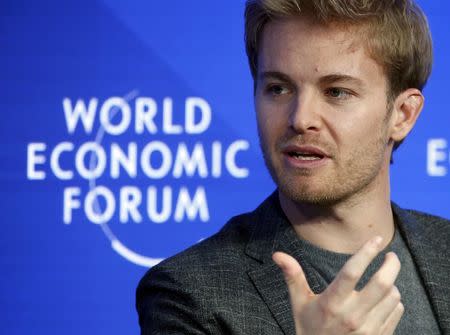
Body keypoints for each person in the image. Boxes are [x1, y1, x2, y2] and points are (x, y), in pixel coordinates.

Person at [136, 0, 450, 334]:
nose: (300, 118)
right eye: (278, 88)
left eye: (337, 92)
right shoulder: (188, 295)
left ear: (403, 115)